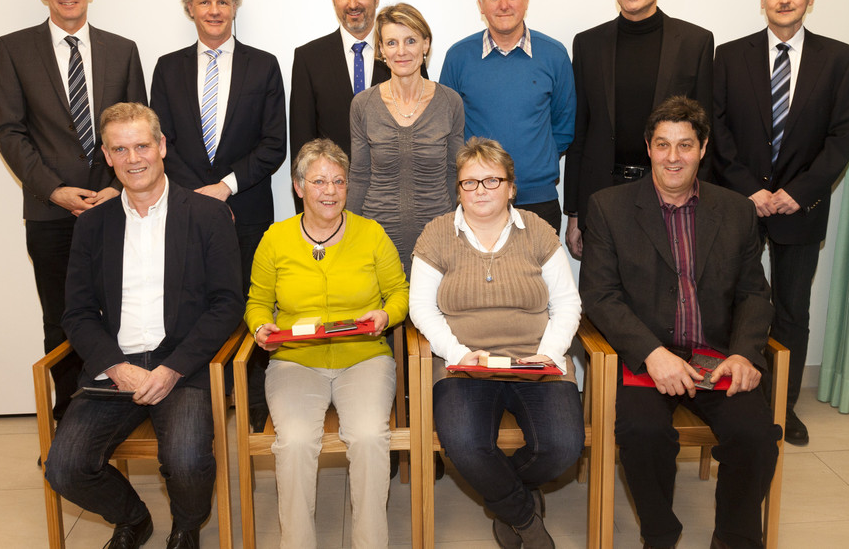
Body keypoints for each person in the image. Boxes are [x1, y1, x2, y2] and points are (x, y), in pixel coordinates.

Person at [581, 97, 780, 549]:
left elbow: (754, 293)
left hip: (717, 356)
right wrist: (652, 354)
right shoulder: (609, 207)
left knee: (755, 435)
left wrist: (745, 354)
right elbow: (600, 295)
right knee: (643, 433)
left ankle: (734, 538)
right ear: (648, 147)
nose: (673, 157)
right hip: (645, 356)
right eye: (663, 144)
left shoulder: (735, 210)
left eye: (685, 145)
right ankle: (660, 535)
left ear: (703, 148)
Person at [45, 103, 243, 549]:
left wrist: (173, 369)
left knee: (187, 460)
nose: (133, 158)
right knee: (65, 467)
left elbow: (227, 304)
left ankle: (186, 526)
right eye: (120, 149)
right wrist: (116, 367)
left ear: (162, 146)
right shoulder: (92, 225)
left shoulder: (207, 215)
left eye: (142, 146)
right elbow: (77, 312)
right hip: (116, 367)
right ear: (107, 156)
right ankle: (133, 518)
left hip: (183, 364)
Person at [711, 0, 849, 446]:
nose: (784, 0)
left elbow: (843, 136)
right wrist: (748, 189)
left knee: (792, 309)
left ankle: (784, 404)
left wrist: (798, 193)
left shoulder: (841, 59)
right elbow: (716, 129)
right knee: (728, 302)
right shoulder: (729, 56)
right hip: (740, 204)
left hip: (802, 207)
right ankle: (731, 397)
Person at [0, 0, 147, 420]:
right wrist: (54, 190)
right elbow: (8, 130)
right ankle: (69, 422)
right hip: (50, 213)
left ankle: (120, 413)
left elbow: (138, 127)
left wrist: (117, 187)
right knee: (61, 320)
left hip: (114, 207)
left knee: (121, 312)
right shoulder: (14, 49)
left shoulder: (122, 50)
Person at [409, 137, 583, 549]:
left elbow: (567, 303)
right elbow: (421, 308)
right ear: (458, 190)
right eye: (469, 182)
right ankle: (524, 516)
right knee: (464, 444)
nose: (480, 190)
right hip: (465, 364)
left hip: (535, 361)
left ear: (511, 187)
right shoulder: (436, 234)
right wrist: (457, 353)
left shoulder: (537, 230)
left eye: (492, 180)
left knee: (562, 447)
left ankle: (506, 496)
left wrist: (548, 354)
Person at [248, 138, 409, 548]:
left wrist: (386, 316)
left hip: (364, 358)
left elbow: (399, 292)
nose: (330, 191)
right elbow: (257, 301)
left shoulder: (371, 234)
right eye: (319, 181)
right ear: (298, 186)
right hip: (295, 361)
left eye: (339, 181)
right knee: (295, 442)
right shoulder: (275, 238)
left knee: (369, 437)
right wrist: (261, 326)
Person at [150, 0, 286, 432]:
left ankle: (255, 404)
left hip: (245, 209)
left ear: (235, 6)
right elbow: (160, 142)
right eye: (204, 1)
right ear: (189, 8)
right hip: (185, 209)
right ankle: (202, 399)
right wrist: (198, 193)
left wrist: (224, 186)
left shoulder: (263, 65)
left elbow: (273, 144)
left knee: (253, 303)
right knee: (196, 304)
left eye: (222, 1)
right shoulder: (167, 68)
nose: (214, 9)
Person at [565, 0, 714, 261]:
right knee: (602, 288)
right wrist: (574, 212)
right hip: (601, 193)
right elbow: (580, 131)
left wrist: (701, 206)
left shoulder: (695, 43)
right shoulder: (588, 44)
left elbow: (704, 134)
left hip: (669, 192)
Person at [440, 0, 575, 233]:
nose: (504, 4)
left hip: (538, 201)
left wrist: (535, 163)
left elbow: (564, 128)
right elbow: (447, 129)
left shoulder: (554, 55)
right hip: (478, 200)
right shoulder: (458, 57)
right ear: (480, 3)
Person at [289, 0, 430, 215]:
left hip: (394, 203)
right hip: (331, 203)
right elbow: (302, 148)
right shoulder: (309, 59)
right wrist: (308, 215)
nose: (352, 3)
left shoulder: (403, 56)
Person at [347, 3, 464, 276]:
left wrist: (459, 234)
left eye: (410, 40)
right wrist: (350, 237)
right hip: (377, 237)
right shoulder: (362, 105)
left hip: (438, 238)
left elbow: (455, 175)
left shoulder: (450, 102)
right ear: (381, 50)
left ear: (426, 44)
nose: (401, 51)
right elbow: (359, 177)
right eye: (391, 42)